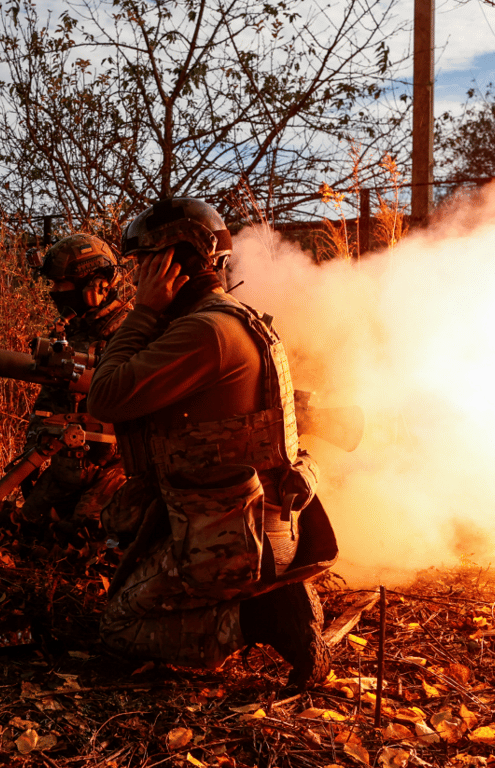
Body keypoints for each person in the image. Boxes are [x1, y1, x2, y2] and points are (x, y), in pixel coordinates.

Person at [86, 198, 338, 689]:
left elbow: (106, 396)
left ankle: (265, 617)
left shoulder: (204, 332)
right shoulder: (229, 318)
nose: (137, 278)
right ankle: (265, 597)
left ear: (171, 264)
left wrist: (143, 313)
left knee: (119, 626)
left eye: (143, 265)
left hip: (233, 541)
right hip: (253, 527)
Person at [19, 234, 131, 527]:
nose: (55, 292)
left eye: (61, 284)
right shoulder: (73, 332)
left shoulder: (131, 333)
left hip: (118, 468)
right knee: (26, 522)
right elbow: (48, 404)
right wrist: (32, 451)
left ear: (95, 286)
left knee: (87, 528)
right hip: (70, 465)